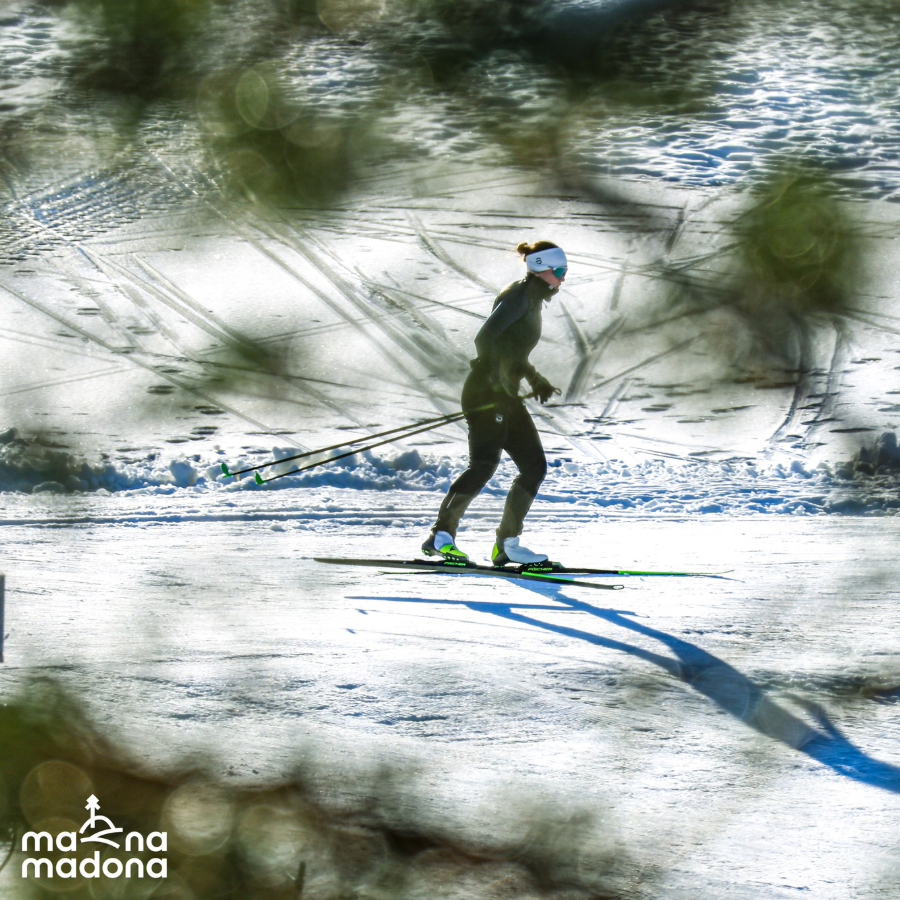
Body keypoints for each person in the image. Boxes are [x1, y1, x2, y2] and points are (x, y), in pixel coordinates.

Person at [422, 240, 567, 566]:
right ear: (540, 269)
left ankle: (507, 544)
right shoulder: (517, 297)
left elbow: (512, 351)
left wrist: (534, 378)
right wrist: (497, 384)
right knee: (484, 465)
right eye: (558, 271)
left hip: (505, 396)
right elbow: (485, 339)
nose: (562, 277)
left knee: (534, 468)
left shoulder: (532, 300)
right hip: (486, 393)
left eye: (564, 271)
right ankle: (440, 536)